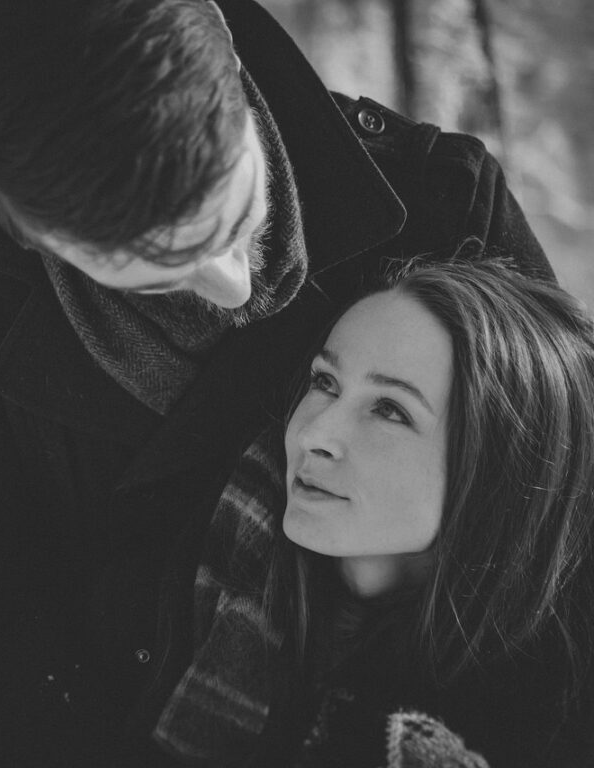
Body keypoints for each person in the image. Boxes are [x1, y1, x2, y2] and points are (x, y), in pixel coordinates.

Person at [0, 0, 553, 765]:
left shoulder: (443, 203)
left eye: (234, 218)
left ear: (229, 63)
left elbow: (564, 531)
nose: (237, 288)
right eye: (163, 272)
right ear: (35, 239)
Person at [154, 258, 594, 767]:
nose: (314, 434)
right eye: (325, 383)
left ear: (497, 473)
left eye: (390, 410)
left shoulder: (547, 719)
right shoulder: (214, 545)